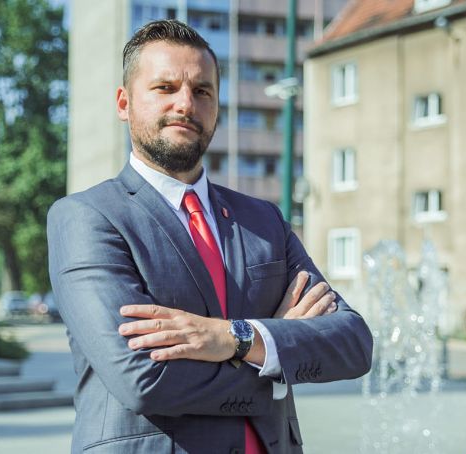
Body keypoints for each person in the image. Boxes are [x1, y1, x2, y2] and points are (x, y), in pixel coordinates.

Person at [47, 19, 372, 454]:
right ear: (124, 103)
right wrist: (275, 357)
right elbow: (144, 379)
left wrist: (234, 337)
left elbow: (352, 343)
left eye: (202, 91)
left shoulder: (264, 220)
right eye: (165, 88)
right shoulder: (88, 217)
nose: (186, 103)